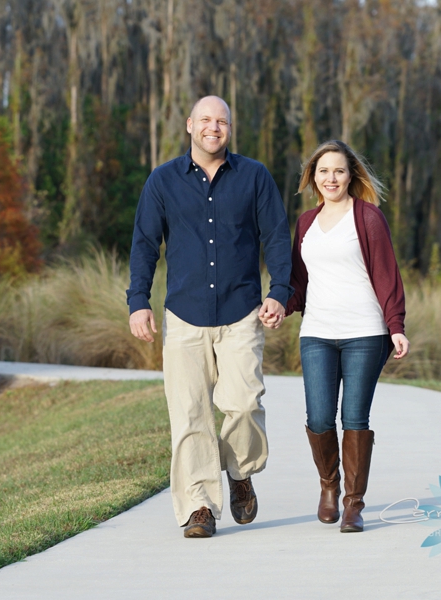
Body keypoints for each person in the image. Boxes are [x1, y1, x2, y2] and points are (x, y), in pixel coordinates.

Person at [127, 95, 292, 538]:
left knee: (244, 405)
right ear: (189, 126)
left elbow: (276, 236)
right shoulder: (162, 181)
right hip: (184, 315)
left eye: (221, 121)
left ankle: (240, 472)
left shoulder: (254, 176)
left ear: (229, 128)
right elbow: (145, 244)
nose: (213, 127)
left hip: (242, 312)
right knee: (190, 415)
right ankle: (198, 505)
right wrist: (138, 301)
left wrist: (279, 292)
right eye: (205, 120)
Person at [284, 140, 410, 533]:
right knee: (319, 417)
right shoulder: (306, 223)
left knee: (354, 416)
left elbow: (386, 274)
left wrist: (396, 326)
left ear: (351, 175)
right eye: (323, 171)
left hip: (365, 332)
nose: (331, 178)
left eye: (338, 170)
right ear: (313, 177)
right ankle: (329, 486)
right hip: (317, 332)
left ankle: (354, 504)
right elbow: (298, 282)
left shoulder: (368, 217)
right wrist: (280, 306)